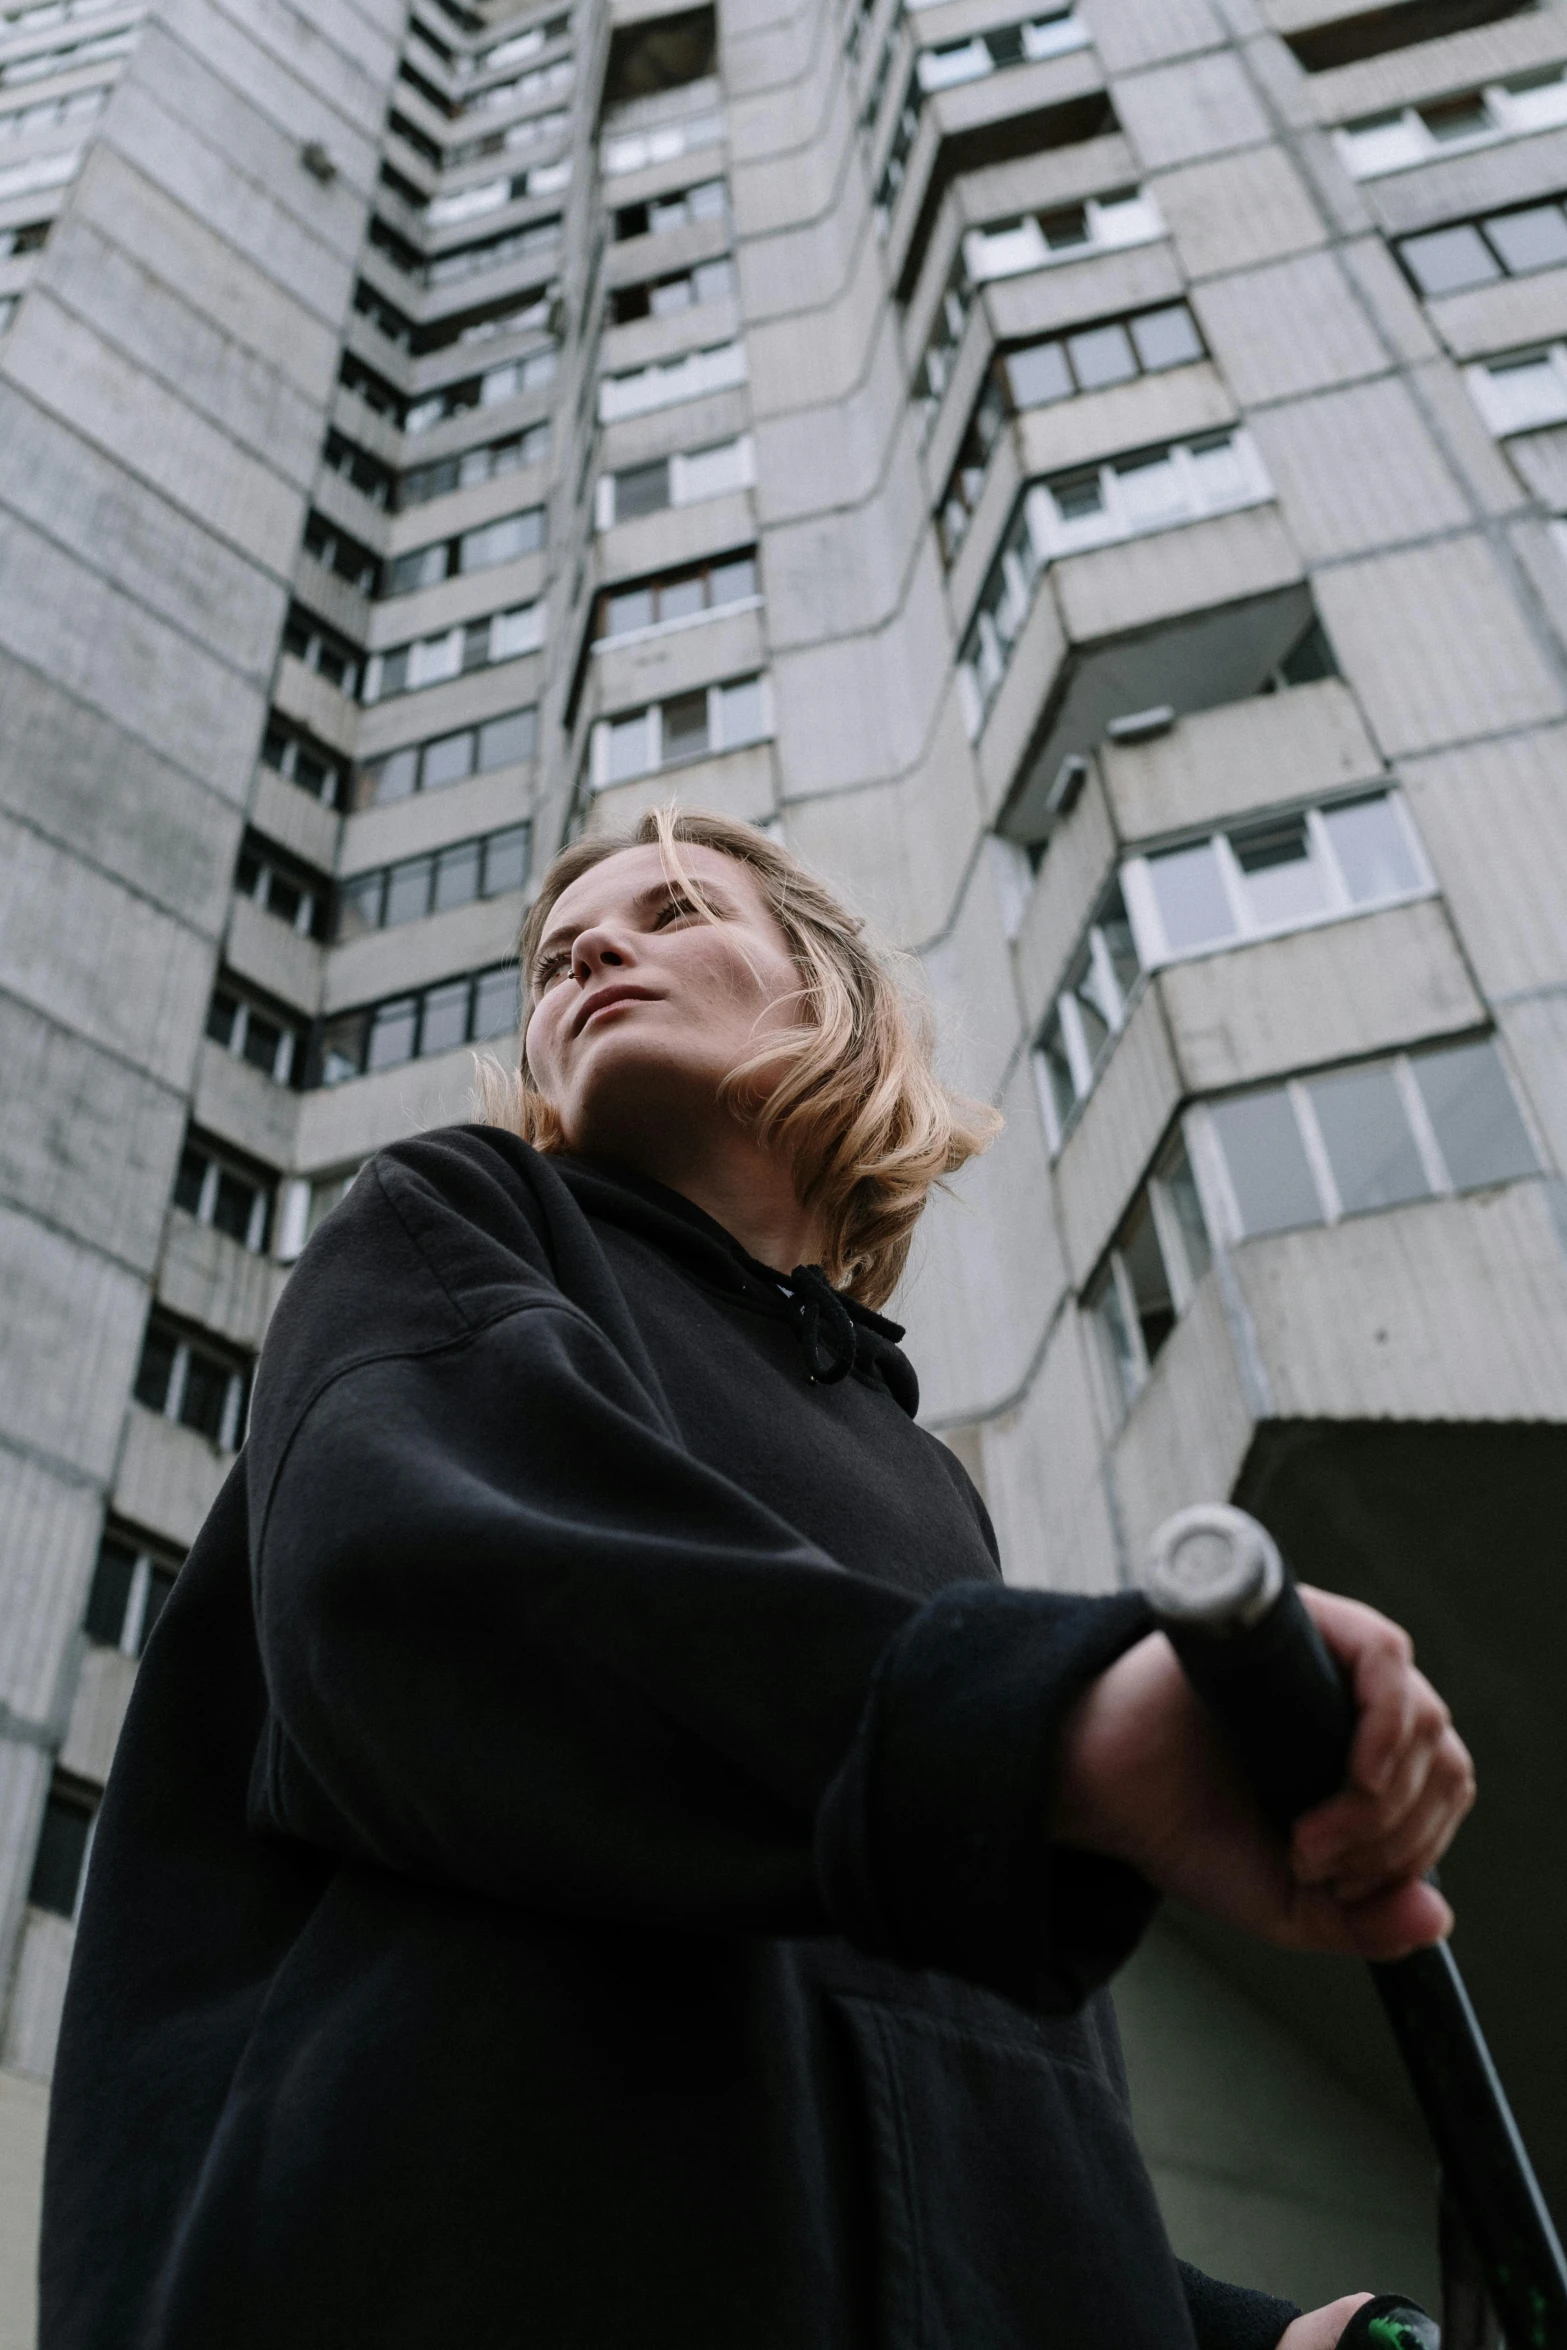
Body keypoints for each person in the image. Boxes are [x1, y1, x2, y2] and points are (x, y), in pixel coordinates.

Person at [41, 808, 1474, 2350]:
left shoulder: (919, 1480)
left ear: (831, 997)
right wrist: (1051, 1723)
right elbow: (437, 1600)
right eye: (555, 952)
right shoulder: (452, 1222)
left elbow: (908, 2094)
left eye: (672, 908)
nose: (591, 947)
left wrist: (1247, 2336)